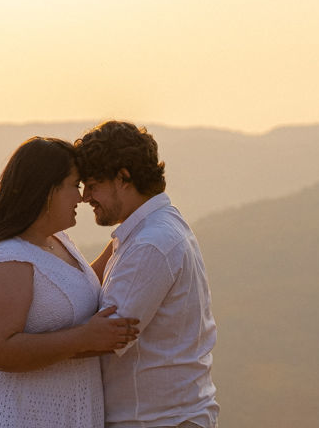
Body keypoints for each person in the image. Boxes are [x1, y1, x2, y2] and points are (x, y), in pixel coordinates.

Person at [0, 136, 140, 428]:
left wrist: (132, 231)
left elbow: (75, 290)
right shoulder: (4, 258)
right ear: (47, 191)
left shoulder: (56, 241)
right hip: (2, 413)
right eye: (74, 185)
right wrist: (85, 337)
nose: (80, 198)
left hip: (45, 409)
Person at [75, 121, 219, 428]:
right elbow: (84, 284)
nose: (86, 196)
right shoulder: (149, 230)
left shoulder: (151, 244)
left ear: (123, 177)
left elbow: (106, 338)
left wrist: (12, 348)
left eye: (93, 184)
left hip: (159, 420)